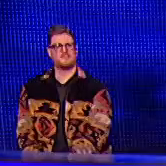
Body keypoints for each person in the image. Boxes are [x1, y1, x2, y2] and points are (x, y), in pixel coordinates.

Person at [18, 25, 113, 153]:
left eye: (68, 45)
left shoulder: (96, 90)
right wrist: (36, 157)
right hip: (44, 163)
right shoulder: (32, 90)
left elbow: (99, 132)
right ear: (50, 52)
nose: (64, 50)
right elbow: (24, 130)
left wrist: (77, 156)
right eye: (58, 46)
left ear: (76, 50)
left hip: (84, 163)